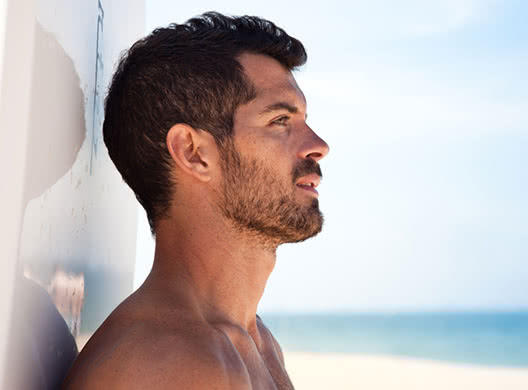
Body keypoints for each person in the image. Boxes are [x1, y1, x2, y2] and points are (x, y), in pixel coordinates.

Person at [62, 12, 329, 389]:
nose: (319, 146)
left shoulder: (256, 342)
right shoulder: (173, 362)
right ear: (193, 153)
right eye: (280, 121)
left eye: (303, 120)